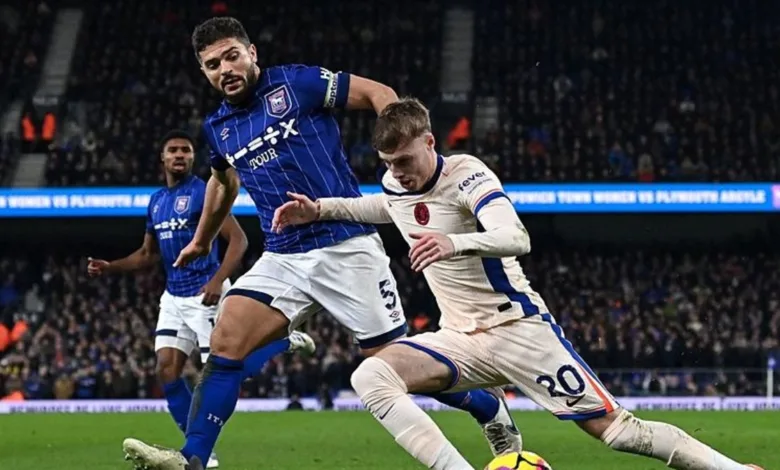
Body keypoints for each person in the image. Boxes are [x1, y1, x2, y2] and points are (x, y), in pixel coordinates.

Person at [271, 98, 764, 470]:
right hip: (460, 337)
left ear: (429, 143)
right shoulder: (396, 183)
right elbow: (386, 207)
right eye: (388, 164)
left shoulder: (468, 176)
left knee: (616, 432)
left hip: (518, 330)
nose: (396, 173)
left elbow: (516, 236)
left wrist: (455, 242)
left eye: (404, 160)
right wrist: (322, 209)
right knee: (370, 376)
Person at [121, 17, 519, 470]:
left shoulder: (297, 83)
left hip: (345, 246)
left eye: (232, 55)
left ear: (252, 53)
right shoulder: (219, 127)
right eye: (212, 64)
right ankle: (192, 459)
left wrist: (402, 163)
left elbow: (377, 93)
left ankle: (487, 405)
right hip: (283, 254)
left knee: (394, 368)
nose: (224, 68)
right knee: (226, 339)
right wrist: (201, 238)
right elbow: (222, 182)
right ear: (205, 73)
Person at [89, 130, 314, 469]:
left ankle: (284, 342)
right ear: (163, 159)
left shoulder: (204, 194)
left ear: (193, 158)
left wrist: (217, 280)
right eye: (173, 151)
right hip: (174, 297)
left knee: (225, 369)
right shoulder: (156, 201)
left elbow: (238, 242)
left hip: (205, 295)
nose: (179, 156)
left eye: (186, 151)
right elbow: (148, 255)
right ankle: (195, 452)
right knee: (167, 370)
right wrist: (112, 266)